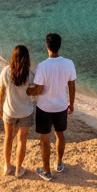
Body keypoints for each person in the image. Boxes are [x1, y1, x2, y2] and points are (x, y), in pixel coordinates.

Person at [32, 32, 76, 181]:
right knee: (60, 134)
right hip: (61, 106)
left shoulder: (42, 66)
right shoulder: (69, 63)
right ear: (59, 46)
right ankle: (59, 163)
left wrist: (27, 91)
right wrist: (72, 103)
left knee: (44, 139)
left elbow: (38, 89)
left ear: (46, 45)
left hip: (44, 107)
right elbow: (72, 85)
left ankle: (47, 171)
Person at [0, 44, 36, 177]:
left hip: (9, 110)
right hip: (25, 111)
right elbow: (34, 93)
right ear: (27, 58)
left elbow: (1, 90)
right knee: (22, 140)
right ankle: (19, 170)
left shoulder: (6, 71)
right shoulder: (30, 75)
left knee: (8, 138)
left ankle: (7, 166)